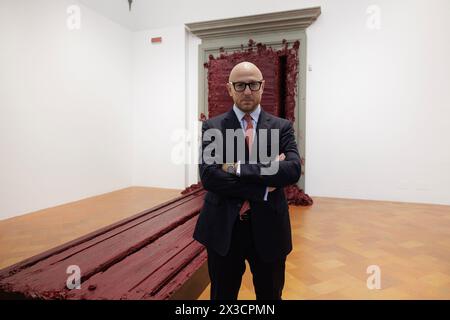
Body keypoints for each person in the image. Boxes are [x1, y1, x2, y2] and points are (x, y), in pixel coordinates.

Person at [193, 61, 302, 300]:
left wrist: (235, 167)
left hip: (269, 228)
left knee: (270, 296)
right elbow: (210, 176)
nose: (247, 91)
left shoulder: (282, 127)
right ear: (230, 88)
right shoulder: (213, 127)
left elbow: (292, 170)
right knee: (222, 297)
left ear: (262, 86)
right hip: (224, 229)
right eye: (240, 85)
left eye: (253, 84)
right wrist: (264, 186)